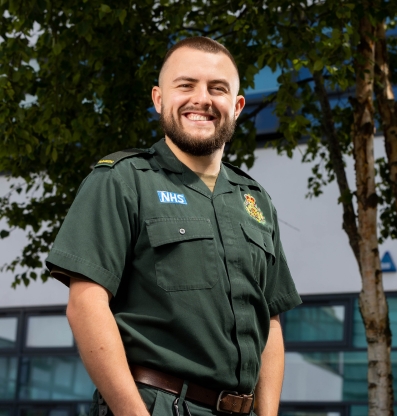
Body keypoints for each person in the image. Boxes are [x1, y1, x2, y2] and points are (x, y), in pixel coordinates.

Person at [46, 36, 301, 416]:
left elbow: (271, 325)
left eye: (218, 88)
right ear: (159, 98)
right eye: (186, 85)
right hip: (157, 404)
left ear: (237, 105)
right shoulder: (122, 180)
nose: (202, 99)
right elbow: (86, 305)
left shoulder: (256, 200)